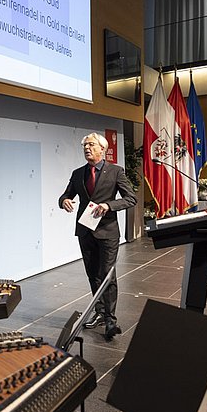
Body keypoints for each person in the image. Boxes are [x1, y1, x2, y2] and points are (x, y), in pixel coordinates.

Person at [58, 133, 136, 341]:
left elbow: (131, 198)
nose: (87, 148)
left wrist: (109, 205)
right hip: (85, 230)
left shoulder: (116, 172)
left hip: (108, 230)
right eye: (84, 145)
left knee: (107, 274)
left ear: (103, 149)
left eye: (91, 145)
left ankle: (111, 319)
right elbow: (65, 195)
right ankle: (100, 312)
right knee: (93, 274)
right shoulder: (78, 174)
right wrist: (64, 201)